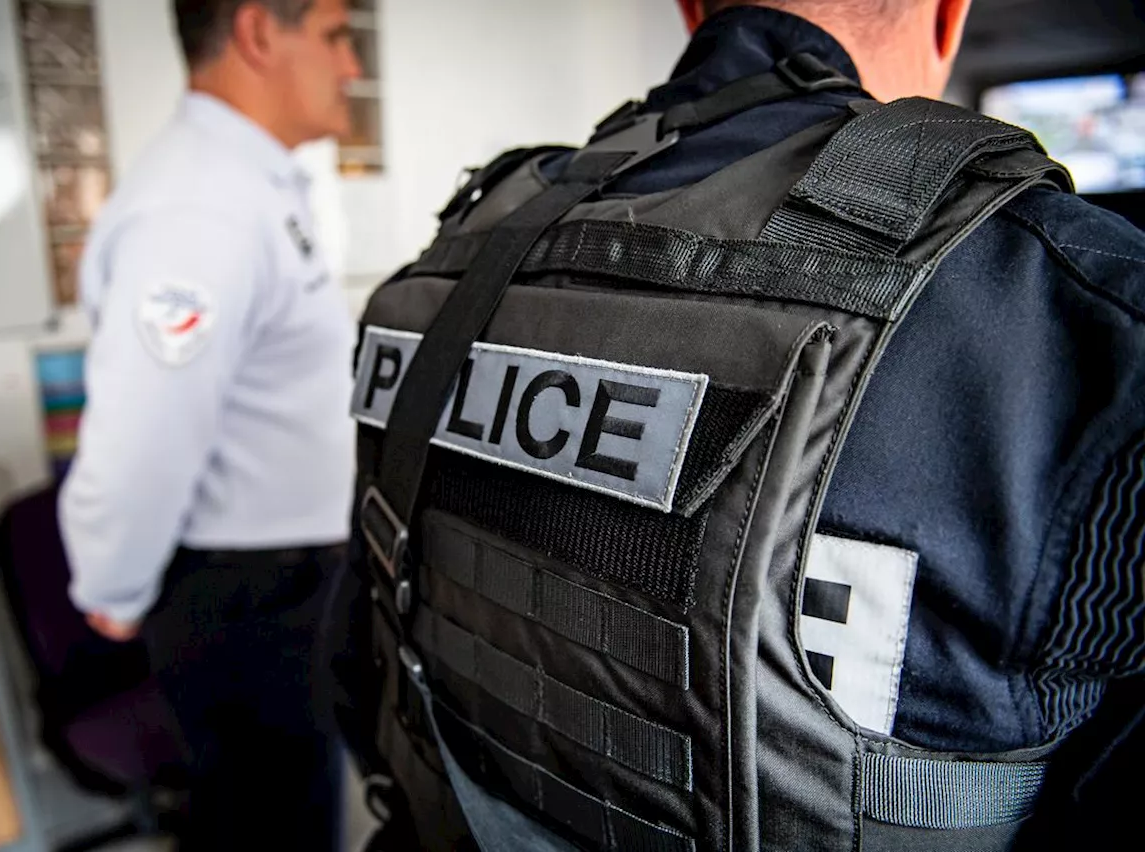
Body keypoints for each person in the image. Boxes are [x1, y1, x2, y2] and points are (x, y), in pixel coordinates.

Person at [342, 1, 1145, 850]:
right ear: (948, 15)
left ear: (692, 7)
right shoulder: (1080, 314)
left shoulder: (461, 248)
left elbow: (361, 678)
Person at [58, 1, 360, 848]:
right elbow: (145, 429)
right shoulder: (200, 207)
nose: (350, 68)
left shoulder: (254, 186)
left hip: (286, 587)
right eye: (336, 37)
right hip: (247, 599)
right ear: (260, 32)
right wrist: (113, 584)